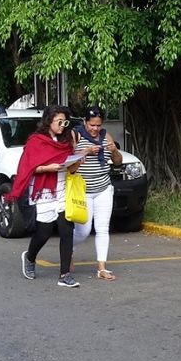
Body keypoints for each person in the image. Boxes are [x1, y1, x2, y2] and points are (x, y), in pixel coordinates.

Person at [10, 105, 82, 288]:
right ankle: (30, 256)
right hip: (43, 191)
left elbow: (71, 168)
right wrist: (48, 168)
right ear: (49, 121)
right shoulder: (36, 141)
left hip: (62, 189)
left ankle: (65, 275)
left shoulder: (65, 140)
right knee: (44, 232)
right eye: (59, 122)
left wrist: (78, 160)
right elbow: (28, 168)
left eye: (65, 122)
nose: (63, 126)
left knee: (67, 230)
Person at [71, 105, 123, 281]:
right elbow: (68, 160)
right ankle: (68, 251)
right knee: (83, 231)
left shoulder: (105, 136)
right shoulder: (75, 135)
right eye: (92, 125)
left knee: (102, 228)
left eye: (98, 125)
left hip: (103, 188)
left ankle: (101, 267)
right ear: (85, 122)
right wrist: (86, 151)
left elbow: (117, 162)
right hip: (82, 190)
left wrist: (114, 150)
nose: (95, 129)